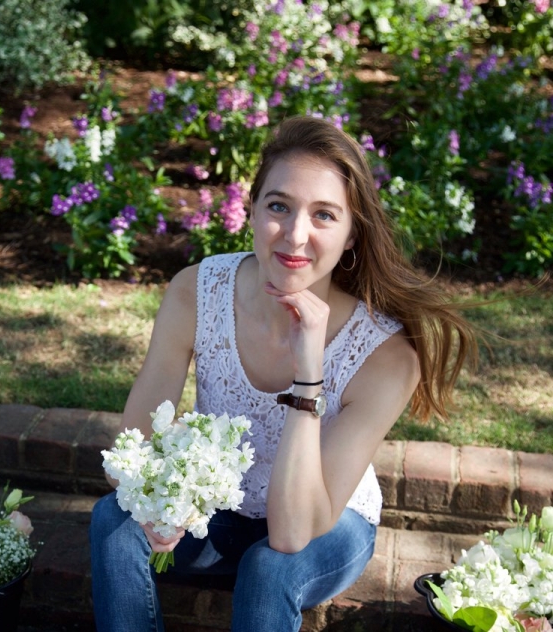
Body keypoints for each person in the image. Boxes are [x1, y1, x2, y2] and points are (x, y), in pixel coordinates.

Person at [88, 115, 477, 632]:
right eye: (279, 206)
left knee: (270, 567)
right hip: (215, 513)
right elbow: (125, 458)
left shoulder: (386, 355)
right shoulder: (194, 292)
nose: (295, 236)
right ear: (251, 211)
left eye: (323, 215)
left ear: (352, 233)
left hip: (326, 524)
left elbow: (294, 533)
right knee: (113, 520)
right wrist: (162, 504)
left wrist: (308, 372)